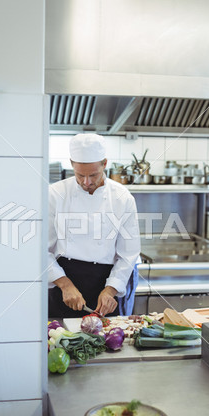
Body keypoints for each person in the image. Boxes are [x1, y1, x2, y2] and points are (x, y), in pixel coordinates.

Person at [48, 133, 141, 318]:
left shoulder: (122, 198)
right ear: (72, 164)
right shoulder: (54, 194)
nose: (86, 182)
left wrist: (111, 290)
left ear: (104, 164)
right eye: (80, 175)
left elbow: (128, 254)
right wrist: (65, 285)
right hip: (63, 284)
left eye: (93, 175)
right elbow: (40, 250)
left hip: (105, 283)